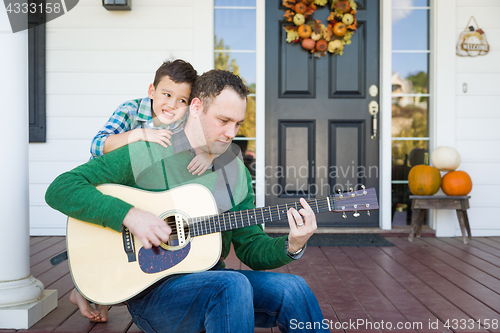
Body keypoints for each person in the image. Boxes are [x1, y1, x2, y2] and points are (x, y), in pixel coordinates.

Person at [46, 69, 328, 332]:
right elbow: (61, 188)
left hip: (211, 279)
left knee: (295, 289)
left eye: (238, 123)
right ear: (196, 108)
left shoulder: (235, 172)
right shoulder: (149, 151)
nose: (232, 133)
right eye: (224, 121)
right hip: (153, 293)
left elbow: (250, 246)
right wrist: (129, 215)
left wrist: (292, 245)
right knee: (231, 285)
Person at [70, 59, 210, 323]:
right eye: (167, 95)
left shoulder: (180, 124)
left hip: (138, 193)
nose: (172, 105)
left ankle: (103, 296)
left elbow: (198, 140)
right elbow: (98, 145)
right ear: (152, 91)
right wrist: (139, 134)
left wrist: (206, 156)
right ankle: (83, 291)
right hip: (106, 187)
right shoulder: (131, 111)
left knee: (122, 247)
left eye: (182, 100)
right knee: (94, 240)